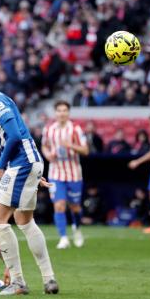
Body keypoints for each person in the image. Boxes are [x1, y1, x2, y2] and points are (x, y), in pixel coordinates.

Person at [0, 61, 58, 295]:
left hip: (21, 163)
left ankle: (17, 282)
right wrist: (35, 169)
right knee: (24, 221)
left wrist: (1, 163)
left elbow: (15, 135)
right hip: (28, 162)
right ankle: (49, 279)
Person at [41, 100, 88, 249]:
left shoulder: (75, 129)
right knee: (59, 205)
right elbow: (44, 145)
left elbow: (85, 151)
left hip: (74, 173)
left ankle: (77, 229)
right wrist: (47, 154)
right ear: (55, 113)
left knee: (75, 207)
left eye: (64, 110)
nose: (62, 113)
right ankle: (63, 238)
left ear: (68, 113)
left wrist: (71, 145)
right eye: (59, 110)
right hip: (56, 173)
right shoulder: (49, 129)